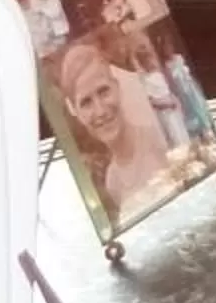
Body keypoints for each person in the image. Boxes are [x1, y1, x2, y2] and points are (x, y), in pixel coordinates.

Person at [56, 34, 180, 221]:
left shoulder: (158, 138)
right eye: (86, 102)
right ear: (75, 111)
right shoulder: (112, 181)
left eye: (103, 91)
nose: (100, 111)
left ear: (117, 86)